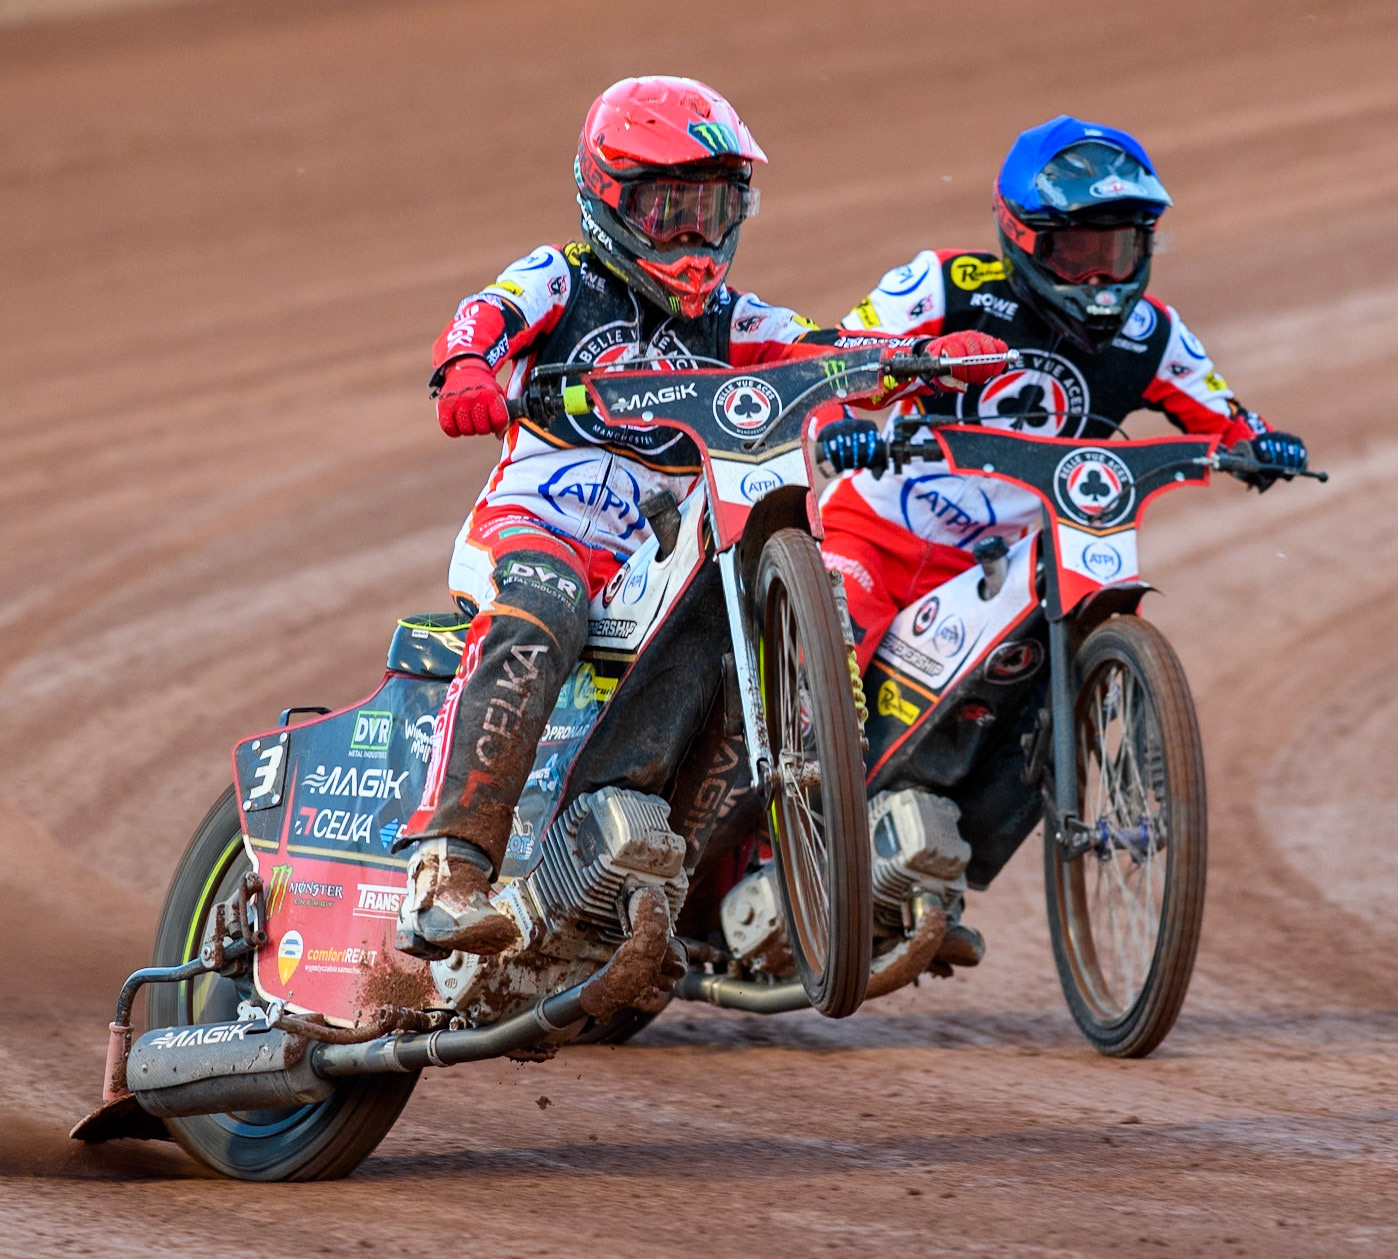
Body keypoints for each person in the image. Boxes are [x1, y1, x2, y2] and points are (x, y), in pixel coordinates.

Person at [396, 75, 1004, 959]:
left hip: (655, 553)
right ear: (609, 197)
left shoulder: (734, 320)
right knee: (546, 602)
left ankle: (641, 876)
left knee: (739, 631)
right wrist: (466, 368)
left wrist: (920, 360)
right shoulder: (562, 279)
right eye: (669, 206)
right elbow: (488, 312)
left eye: (713, 208)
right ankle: (447, 869)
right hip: (535, 527)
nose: (693, 232)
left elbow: (824, 348)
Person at [813, 115, 1311, 965]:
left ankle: (926, 859)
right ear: (1022, 238)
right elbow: (837, 355)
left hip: (1008, 561)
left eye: (1114, 251)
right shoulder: (944, 284)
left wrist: (1258, 443)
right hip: (882, 533)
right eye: (1075, 251)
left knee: (1043, 674)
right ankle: (775, 848)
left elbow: (1221, 410)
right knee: (827, 653)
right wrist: (840, 417)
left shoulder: (1151, 332)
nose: (1097, 275)